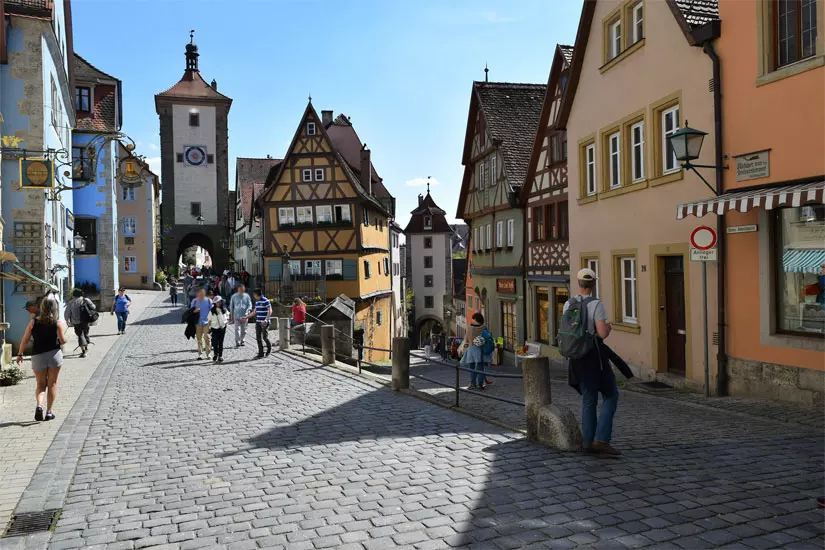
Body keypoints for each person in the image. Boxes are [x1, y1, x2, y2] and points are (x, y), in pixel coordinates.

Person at [563, 268, 620, 456]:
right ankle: (601, 439)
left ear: (578, 283)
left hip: (576, 358)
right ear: (594, 284)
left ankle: (588, 442)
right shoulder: (596, 305)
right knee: (611, 395)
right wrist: (608, 327)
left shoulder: (568, 304)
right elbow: (602, 333)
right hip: (594, 357)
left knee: (588, 400)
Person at [17, 294, 68, 422]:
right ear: (55, 308)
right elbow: (63, 340)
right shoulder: (57, 323)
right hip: (54, 355)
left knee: (40, 384)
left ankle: (39, 405)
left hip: (37, 355)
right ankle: (49, 412)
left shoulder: (33, 322)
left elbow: (25, 339)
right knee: (52, 384)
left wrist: (20, 354)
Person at [461, 313, 493, 390]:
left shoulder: (470, 328)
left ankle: (473, 384)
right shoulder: (484, 327)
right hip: (480, 350)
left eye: (472, 318)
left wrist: (464, 348)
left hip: (471, 350)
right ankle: (480, 385)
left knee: (472, 368)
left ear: (475, 319)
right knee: (480, 369)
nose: (472, 320)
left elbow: (466, 340)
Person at [64, 289, 96, 358]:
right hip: (85, 320)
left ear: (74, 295)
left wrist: (67, 320)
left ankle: (83, 351)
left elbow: (67, 313)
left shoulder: (71, 302)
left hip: (76, 322)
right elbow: (94, 307)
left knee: (80, 335)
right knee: (85, 333)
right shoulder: (85, 300)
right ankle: (86, 347)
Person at [249, 289, 272, 358]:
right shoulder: (257, 302)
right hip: (258, 322)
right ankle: (261, 353)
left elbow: (270, 310)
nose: (253, 296)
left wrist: (266, 319)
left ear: (256, 294)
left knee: (265, 337)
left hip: (264, 322)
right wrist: (246, 317)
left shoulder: (266, 300)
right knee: (258, 337)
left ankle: (269, 348)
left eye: (254, 294)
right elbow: (254, 312)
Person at [190, 287, 212, 360]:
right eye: (200, 293)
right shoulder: (194, 301)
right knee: (199, 339)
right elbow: (191, 311)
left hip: (207, 322)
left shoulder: (208, 300)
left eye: (202, 293)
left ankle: (208, 354)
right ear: (197, 294)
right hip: (198, 323)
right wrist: (195, 310)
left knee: (207, 338)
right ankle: (200, 354)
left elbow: (212, 311)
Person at [208, 296, 229, 362]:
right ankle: (215, 354)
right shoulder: (212, 310)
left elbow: (228, 316)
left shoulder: (224, 309)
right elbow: (209, 320)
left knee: (220, 342)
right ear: (214, 303)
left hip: (222, 328)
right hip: (214, 328)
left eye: (219, 301)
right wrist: (208, 328)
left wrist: (226, 323)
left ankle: (220, 356)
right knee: (215, 342)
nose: (218, 303)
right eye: (217, 302)